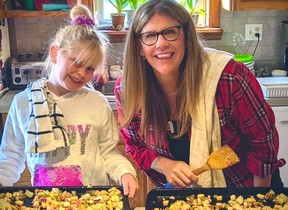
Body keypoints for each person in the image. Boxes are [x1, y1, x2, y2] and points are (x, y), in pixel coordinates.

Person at [115, 0, 286, 188]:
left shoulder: (229, 78)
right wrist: (165, 165)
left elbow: (261, 140)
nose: (161, 43)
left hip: (249, 186)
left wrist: (257, 201)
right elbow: (134, 146)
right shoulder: (128, 91)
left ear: (187, 38)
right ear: (139, 46)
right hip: (187, 198)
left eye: (170, 32)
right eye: (149, 36)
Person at [0, 4, 139, 199]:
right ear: (55, 53)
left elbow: (108, 153)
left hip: (94, 202)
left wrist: (125, 172)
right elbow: (11, 157)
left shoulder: (97, 103)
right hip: (47, 203)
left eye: (90, 69)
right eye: (77, 62)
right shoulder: (25, 103)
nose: (82, 73)